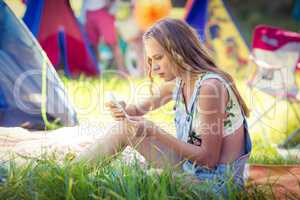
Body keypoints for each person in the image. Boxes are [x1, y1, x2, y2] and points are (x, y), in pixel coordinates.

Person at [77, 18, 252, 194]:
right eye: (151, 60)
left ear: (178, 51)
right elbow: (138, 109)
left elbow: (209, 158)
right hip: (192, 169)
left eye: (158, 58)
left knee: (152, 177)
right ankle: (71, 172)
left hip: (218, 184)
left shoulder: (209, 88)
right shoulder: (179, 83)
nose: (154, 68)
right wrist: (123, 108)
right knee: (125, 129)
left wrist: (155, 131)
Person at [83, 0, 128, 75]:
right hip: (88, 12)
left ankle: (122, 71)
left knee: (113, 43)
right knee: (92, 45)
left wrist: (110, 3)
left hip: (104, 10)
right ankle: (96, 72)